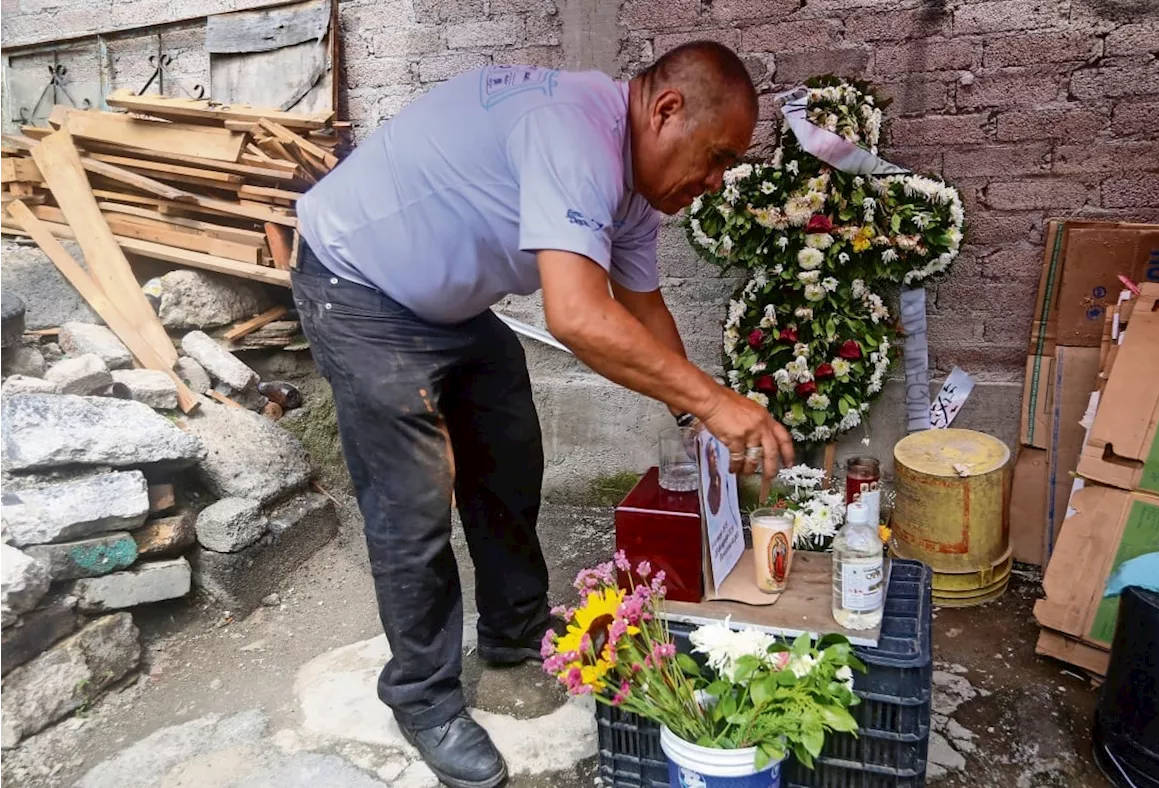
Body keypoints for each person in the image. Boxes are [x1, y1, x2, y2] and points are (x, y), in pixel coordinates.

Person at [292, 41, 795, 788]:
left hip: (450, 306)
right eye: (715, 157)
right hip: (360, 285)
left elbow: (643, 309)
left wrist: (698, 421)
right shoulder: (573, 131)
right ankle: (423, 698)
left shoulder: (636, 189)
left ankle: (514, 632)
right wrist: (718, 403)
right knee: (414, 500)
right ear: (665, 110)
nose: (715, 183)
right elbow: (579, 318)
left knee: (509, 451)